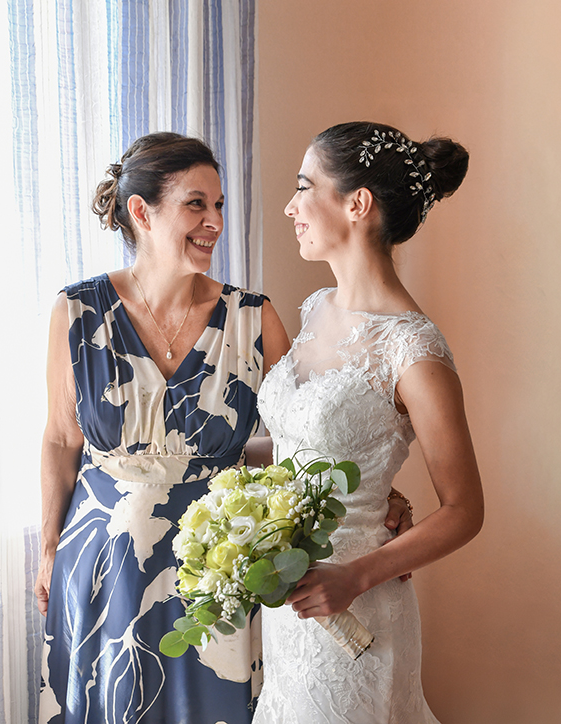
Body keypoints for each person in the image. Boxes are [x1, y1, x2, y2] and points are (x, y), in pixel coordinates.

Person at [35, 132, 291, 723]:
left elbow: (298, 437)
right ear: (141, 212)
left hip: (219, 565)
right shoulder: (76, 312)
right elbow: (60, 437)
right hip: (101, 563)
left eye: (220, 205)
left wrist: (383, 495)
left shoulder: (253, 317)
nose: (214, 221)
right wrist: (48, 546)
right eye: (196, 204)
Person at [252, 122, 484, 723]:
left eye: (305, 187)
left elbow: (465, 509)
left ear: (357, 204)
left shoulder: (413, 350)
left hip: (358, 602)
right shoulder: (315, 308)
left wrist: (355, 576)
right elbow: (299, 446)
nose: (290, 206)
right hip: (292, 604)